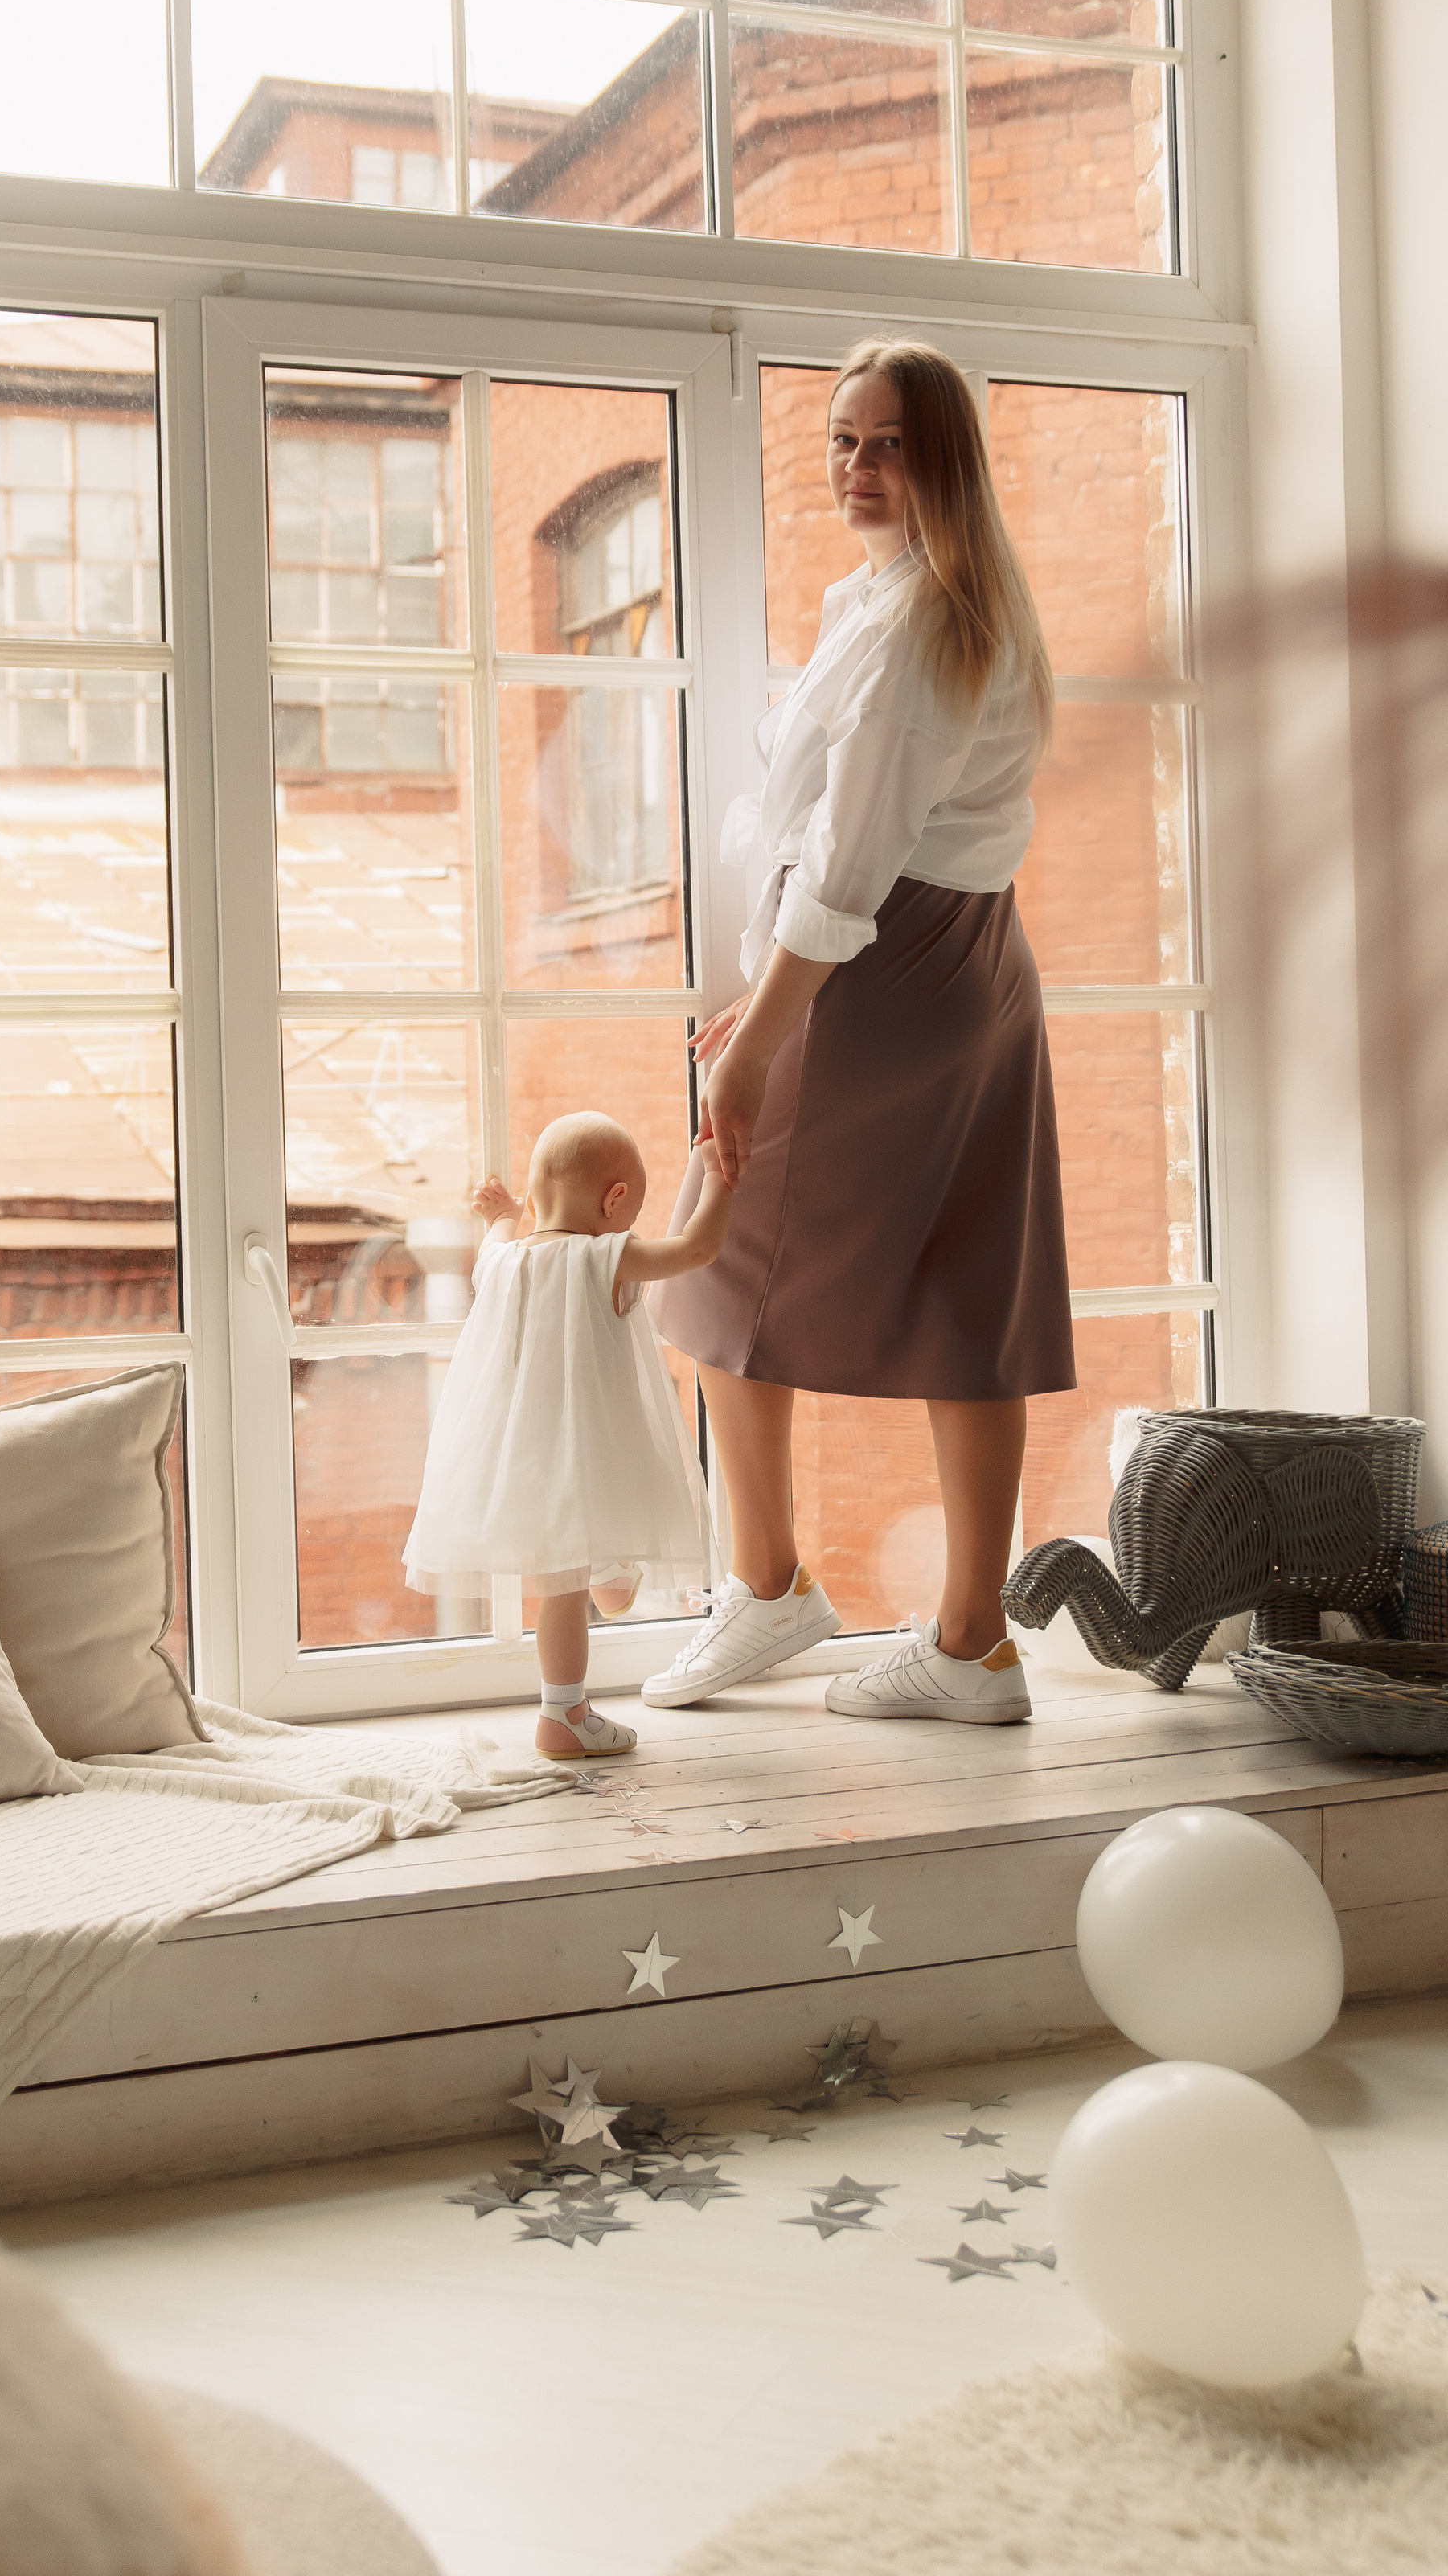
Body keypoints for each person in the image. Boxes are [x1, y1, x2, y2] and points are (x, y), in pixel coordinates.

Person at [642, 338, 1077, 1725]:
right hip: (972, 965)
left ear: (946, 456)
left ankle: (768, 1589)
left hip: (872, 976)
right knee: (970, 1290)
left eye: (887, 442)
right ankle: (971, 1645)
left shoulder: (915, 629)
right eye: (841, 440)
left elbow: (845, 864)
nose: (857, 467)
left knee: (712, 1270)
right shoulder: (937, 603)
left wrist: (760, 1033)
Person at [403, 1111, 729, 1759]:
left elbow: (499, 1233)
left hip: (516, 1457)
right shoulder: (605, 1254)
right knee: (574, 1585)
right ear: (615, 1201)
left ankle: (581, 1658)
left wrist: (501, 1212)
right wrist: (721, 1179)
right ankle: (565, 1715)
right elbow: (695, 1250)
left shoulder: (500, 1261)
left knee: (575, 1581)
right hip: (586, 1452)